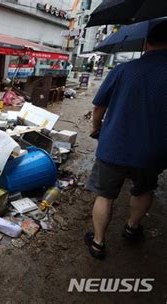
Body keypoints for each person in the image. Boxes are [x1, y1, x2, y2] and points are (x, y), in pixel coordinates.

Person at [84, 21, 167, 260]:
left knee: (105, 195)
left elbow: (99, 107)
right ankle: (132, 228)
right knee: (144, 189)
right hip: (153, 151)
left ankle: (98, 243)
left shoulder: (123, 70)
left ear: (146, 43)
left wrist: (96, 128)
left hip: (114, 146)